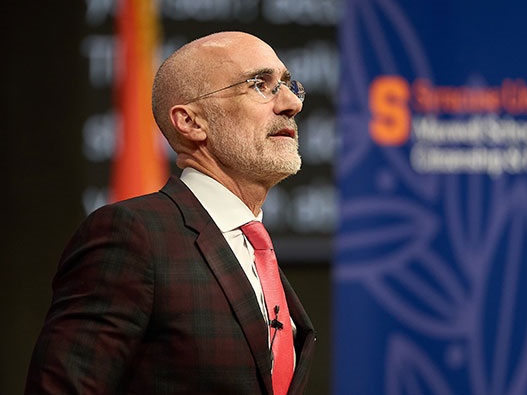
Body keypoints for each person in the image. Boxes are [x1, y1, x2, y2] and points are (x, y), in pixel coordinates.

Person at [25, 31, 317, 394]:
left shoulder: (254, 248)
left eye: (289, 85)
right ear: (191, 122)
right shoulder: (133, 236)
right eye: (261, 84)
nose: (292, 103)